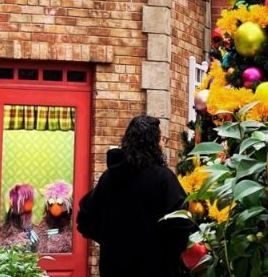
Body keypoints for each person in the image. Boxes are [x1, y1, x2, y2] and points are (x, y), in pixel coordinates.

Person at [76, 116, 193, 276]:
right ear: (152, 142)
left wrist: (113, 241)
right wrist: (163, 252)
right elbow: (181, 223)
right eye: (161, 139)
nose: (163, 144)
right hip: (155, 269)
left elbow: (85, 220)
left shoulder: (109, 178)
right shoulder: (163, 179)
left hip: (114, 268)